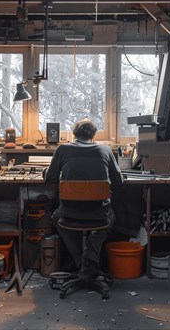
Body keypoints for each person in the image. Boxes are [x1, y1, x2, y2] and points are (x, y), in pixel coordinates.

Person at [44, 119, 123, 280]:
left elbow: (49, 178)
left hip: (69, 213)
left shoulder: (62, 149)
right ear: (94, 135)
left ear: (74, 134)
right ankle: (89, 262)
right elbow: (119, 181)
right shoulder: (105, 150)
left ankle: (80, 260)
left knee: (55, 217)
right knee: (111, 217)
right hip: (99, 213)